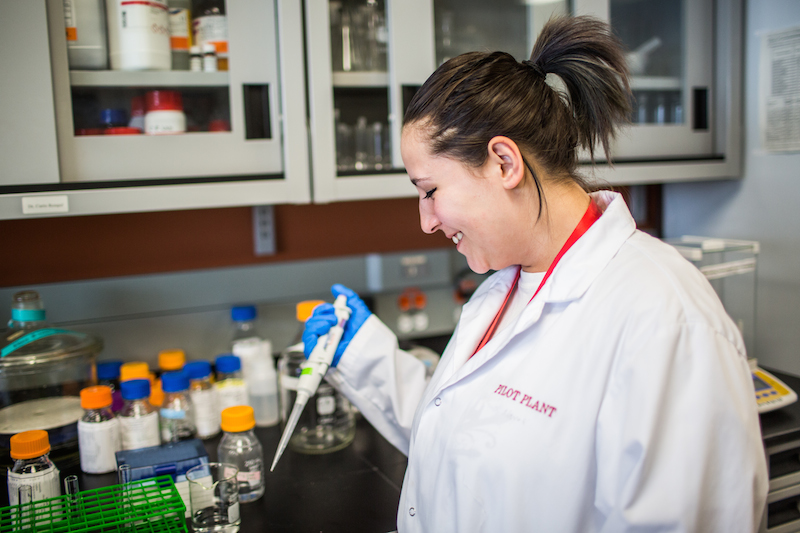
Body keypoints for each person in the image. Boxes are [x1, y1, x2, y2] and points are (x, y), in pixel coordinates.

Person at [303, 15, 768, 533]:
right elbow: (472, 441)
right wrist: (364, 354)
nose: (426, 221)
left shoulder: (666, 319)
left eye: (430, 190)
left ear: (504, 162)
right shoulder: (507, 285)